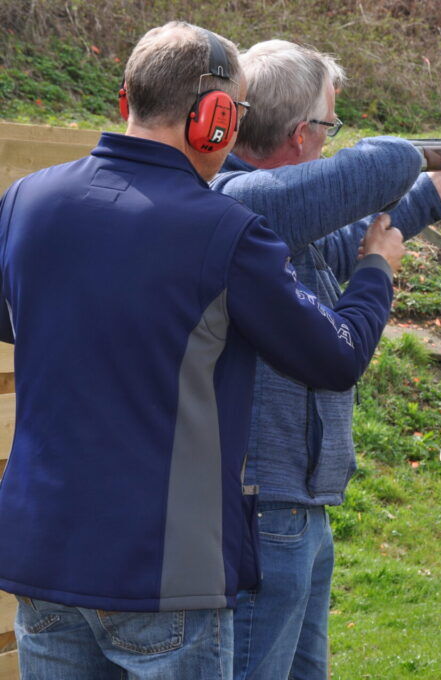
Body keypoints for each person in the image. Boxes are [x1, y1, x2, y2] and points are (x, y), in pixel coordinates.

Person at [0, 23, 404, 679]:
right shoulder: (225, 233)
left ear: (126, 97)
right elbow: (336, 358)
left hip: (42, 563)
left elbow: (18, 318)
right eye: (235, 115)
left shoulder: (26, 200)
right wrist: (376, 271)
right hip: (163, 575)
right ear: (214, 121)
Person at [209, 40, 441, 679]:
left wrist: (433, 189)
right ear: (300, 134)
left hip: (299, 504)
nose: (331, 141)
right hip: (262, 502)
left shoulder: (275, 212)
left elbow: (336, 240)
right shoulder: (239, 202)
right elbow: (356, 225)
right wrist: (377, 268)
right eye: (329, 126)